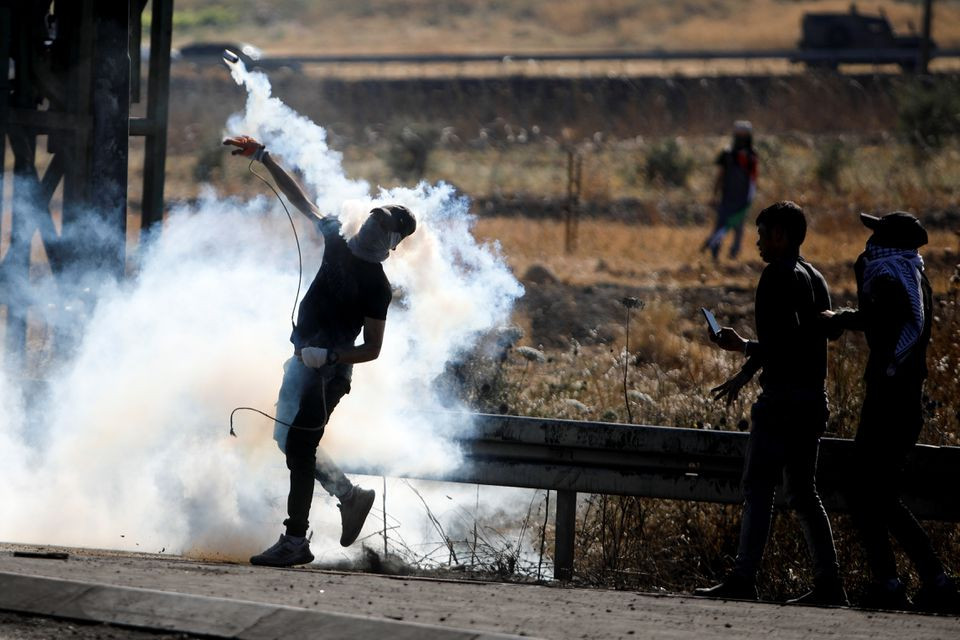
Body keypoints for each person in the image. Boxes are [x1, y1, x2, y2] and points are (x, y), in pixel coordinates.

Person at [223, 135, 417, 567]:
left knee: (300, 448)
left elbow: (373, 350)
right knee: (285, 438)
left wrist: (329, 359)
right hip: (302, 362)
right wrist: (265, 158)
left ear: (393, 243)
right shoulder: (336, 240)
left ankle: (296, 540)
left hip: (328, 374)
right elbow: (300, 200)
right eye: (375, 218)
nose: (372, 226)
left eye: (384, 226)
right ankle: (349, 496)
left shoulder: (377, 287)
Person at [695, 201, 846, 605]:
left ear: (780, 234)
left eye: (762, 233)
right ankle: (830, 584)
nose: (758, 241)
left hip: (781, 401)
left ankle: (744, 578)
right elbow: (804, 342)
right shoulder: (815, 277)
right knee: (803, 492)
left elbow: (782, 346)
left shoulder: (775, 276)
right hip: (813, 399)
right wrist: (743, 376)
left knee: (758, 487)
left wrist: (742, 347)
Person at [823, 212, 959, 613]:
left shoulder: (887, 274)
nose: (869, 243)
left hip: (890, 398)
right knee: (873, 493)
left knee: (871, 493)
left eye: (877, 234)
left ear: (888, 241)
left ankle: (915, 580)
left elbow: (881, 317)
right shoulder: (912, 273)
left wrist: (840, 318)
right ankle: (910, 581)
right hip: (902, 396)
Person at [702, 121, 758, 261]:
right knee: (721, 226)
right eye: (739, 136)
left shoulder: (751, 156)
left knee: (738, 227)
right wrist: (714, 194)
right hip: (727, 197)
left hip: (742, 199)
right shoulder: (727, 154)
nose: (741, 140)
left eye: (744, 136)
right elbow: (720, 176)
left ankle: (733, 255)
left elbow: (754, 178)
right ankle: (714, 253)